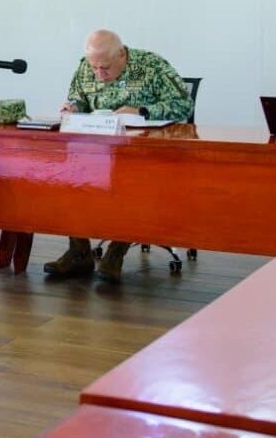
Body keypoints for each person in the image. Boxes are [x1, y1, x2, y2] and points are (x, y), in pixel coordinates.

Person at [51, 29, 194, 282]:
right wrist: (71, 106)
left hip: (143, 152)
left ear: (121, 55)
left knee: (130, 180)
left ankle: (116, 251)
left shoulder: (150, 66)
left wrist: (141, 110)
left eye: (104, 67)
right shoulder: (86, 67)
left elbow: (184, 104)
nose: (99, 73)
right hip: (98, 148)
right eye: (94, 67)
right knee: (67, 175)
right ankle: (79, 252)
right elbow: (78, 98)